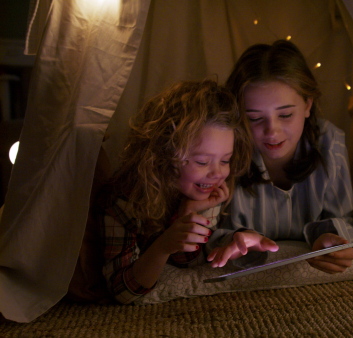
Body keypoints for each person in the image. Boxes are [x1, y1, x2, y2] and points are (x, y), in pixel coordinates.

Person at [207, 40, 353, 274]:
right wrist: (233, 240)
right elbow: (208, 230)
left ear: (308, 105)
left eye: (286, 114)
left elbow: (345, 219)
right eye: (255, 118)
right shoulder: (226, 153)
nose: (272, 131)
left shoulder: (329, 142)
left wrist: (330, 238)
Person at [98, 79, 256, 304]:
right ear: (165, 154)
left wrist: (189, 213)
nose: (217, 173)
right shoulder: (123, 199)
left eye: (225, 160)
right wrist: (163, 245)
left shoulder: (208, 191)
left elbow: (187, 262)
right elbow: (123, 292)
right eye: (202, 161)